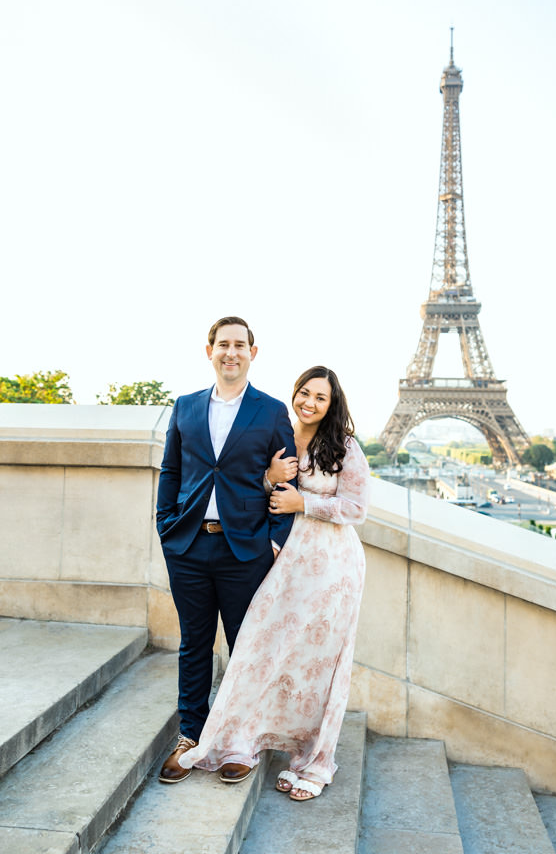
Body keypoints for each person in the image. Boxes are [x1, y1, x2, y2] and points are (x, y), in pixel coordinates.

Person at [178, 365, 369, 801]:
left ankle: (313, 762)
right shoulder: (280, 434)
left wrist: (306, 501)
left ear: (331, 403)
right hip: (283, 562)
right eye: (305, 392)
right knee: (271, 654)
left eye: (320, 397)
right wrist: (268, 479)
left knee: (321, 665)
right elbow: (253, 487)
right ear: (295, 393)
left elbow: (357, 508)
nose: (310, 402)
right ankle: (250, 739)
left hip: (331, 566)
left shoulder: (344, 445)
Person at [156, 316, 297, 784]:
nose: (231, 352)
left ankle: (240, 740)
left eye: (240, 345)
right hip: (190, 545)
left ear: (252, 353)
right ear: (209, 350)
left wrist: (274, 539)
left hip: (245, 550)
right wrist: (165, 528)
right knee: (194, 644)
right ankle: (191, 735)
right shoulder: (186, 407)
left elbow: (286, 479)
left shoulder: (272, 411)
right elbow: (171, 472)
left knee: (245, 647)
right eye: (223, 345)